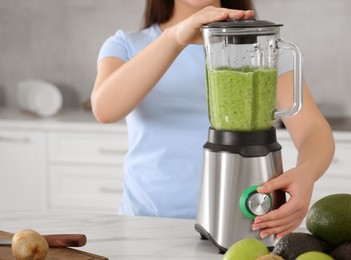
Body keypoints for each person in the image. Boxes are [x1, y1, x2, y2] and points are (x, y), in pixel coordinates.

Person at [91, 0, 335, 239]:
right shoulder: (126, 45)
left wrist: (307, 173)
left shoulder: (260, 47)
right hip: (145, 224)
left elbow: (312, 129)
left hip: (246, 225)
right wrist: (175, 38)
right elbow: (105, 109)